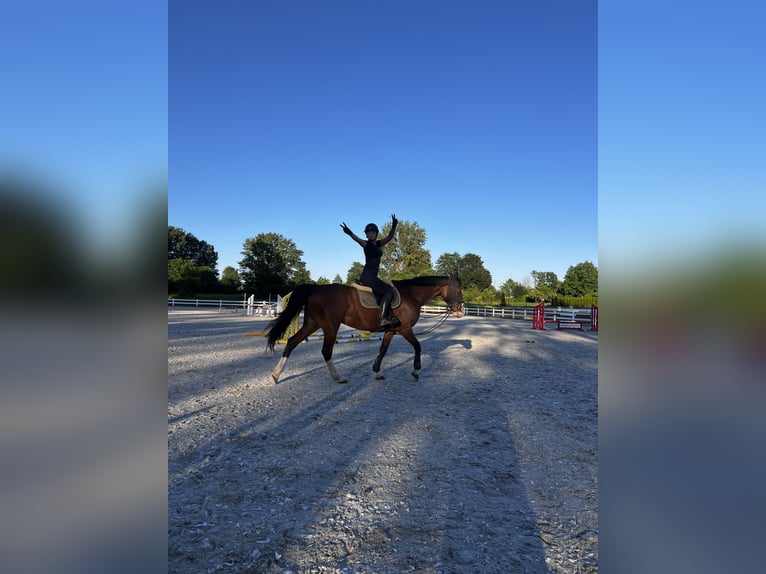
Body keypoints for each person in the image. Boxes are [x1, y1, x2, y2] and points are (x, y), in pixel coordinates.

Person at [341, 214, 400, 328]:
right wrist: (350, 233)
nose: (371, 234)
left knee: (382, 292)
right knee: (388, 292)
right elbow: (357, 239)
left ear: (376, 234)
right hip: (368, 276)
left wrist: (393, 226)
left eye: (373, 232)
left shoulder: (378, 244)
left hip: (372, 276)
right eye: (368, 233)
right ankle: (383, 319)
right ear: (366, 235)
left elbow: (389, 238)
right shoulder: (366, 244)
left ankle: (379, 313)